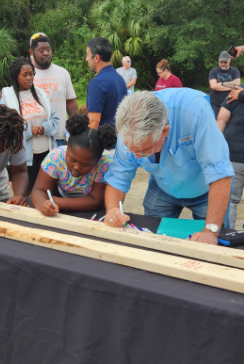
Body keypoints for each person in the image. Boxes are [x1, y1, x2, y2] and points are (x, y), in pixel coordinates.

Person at [104, 88, 234, 245]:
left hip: (206, 189)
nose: (137, 157)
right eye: (132, 150)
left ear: (164, 131)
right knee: (152, 239)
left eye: (144, 150)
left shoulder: (195, 111)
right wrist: (113, 210)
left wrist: (211, 230)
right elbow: (118, 176)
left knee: (213, 242)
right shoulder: (128, 128)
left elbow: (219, 172)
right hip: (163, 186)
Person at [31, 114, 117, 216]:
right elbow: (39, 190)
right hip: (57, 207)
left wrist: (57, 201)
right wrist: (43, 204)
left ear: (98, 159)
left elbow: (96, 201)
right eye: (72, 160)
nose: (76, 167)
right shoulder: (55, 157)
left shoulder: (105, 163)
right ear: (67, 150)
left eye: (85, 164)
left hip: (90, 212)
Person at [1, 57, 59, 192]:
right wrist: (28, 130)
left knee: (47, 191)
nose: (29, 78)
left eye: (31, 74)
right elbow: (5, 127)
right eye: (24, 75)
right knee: (27, 193)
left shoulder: (40, 94)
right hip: (24, 159)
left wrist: (44, 128)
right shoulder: (8, 98)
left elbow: (55, 118)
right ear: (16, 76)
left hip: (46, 153)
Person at [29, 32, 78, 146]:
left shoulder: (62, 73)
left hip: (60, 137)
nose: (46, 53)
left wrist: (76, 129)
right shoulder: (27, 75)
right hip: (35, 138)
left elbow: (71, 103)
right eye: (41, 50)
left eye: (48, 49)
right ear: (32, 52)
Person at [86, 37, 127, 129]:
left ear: (96, 58)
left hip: (102, 141)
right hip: (119, 139)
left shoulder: (97, 83)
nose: (86, 59)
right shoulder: (120, 79)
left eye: (88, 55)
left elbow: (94, 122)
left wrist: (87, 142)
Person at [217, 98, 244, 229]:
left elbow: (222, 118)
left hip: (234, 151)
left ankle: (228, 234)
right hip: (234, 152)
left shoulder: (236, 92)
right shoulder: (237, 92)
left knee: (231, 200)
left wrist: (216, 144)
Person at [208, 51, 240, 119]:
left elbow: (237, 84)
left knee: (229, 127)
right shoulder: (213, 71)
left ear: (229, 60)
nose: (223, 64)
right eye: (221, 62)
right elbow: (213, 86)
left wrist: (221, 84)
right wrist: (231, 86)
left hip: (230, 105)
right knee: (217, 126)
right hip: (216, 105)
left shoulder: (235, 71)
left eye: (225, 62)